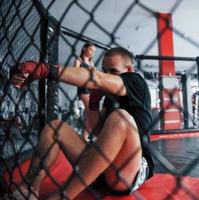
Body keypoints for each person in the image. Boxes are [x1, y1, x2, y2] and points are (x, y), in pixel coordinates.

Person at [8, 47, 154, 200]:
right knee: (55, 127)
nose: (107, 75)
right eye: (104, 70)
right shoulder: (111, 97)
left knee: (121, 118)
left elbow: (98, 78)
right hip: (99, 170)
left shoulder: (136, 82)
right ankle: (29, 188)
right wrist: (93, 102)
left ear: (128, 69)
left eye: (113, 71)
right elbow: (96, 130)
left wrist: (45, 69)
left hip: (127, 172)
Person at [74, 42, 96, 141]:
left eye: (94, 51)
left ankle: (85, 137)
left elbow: (94, 76)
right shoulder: (79, 60)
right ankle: (90, 135)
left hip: (91, 89)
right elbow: (75, 74)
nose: (92, 53)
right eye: (91, 50)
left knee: (89, 114)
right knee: (91, 112)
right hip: (83, 89)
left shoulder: (91, 62)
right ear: (84, 49)